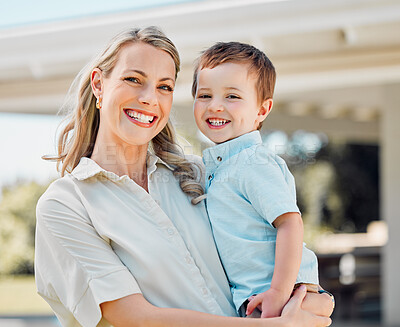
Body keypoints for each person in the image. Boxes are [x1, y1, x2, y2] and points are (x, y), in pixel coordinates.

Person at [35, 26, 333, 327]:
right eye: (133, 79)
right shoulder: (65, 205)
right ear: (99, 84)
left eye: (164, 86)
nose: (149, 98)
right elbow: (133, 317)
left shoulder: (204, 174)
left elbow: (268, 244)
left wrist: (305, 293)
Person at [192, 42, 320, 319]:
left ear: (262, 110)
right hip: (255, 295)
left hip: (279, 294)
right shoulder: (217, 168)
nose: (215, 106)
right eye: (204, 95)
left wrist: (278, 292)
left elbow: (290, 223)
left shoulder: (254, 162)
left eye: (232, 97)